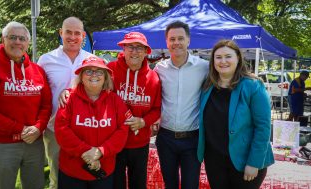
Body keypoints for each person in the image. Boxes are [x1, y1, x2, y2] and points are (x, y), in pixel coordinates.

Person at [0, 21, 52, 189]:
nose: (18, 42)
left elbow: (46, 105)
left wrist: (38, 127)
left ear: (28, 43)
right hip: (3, 144)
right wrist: (19, 129)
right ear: (3, 40)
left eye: (22, 38)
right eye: (13, 37)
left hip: (34, 143)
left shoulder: (37, 70)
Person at [197, 39, 275, 189]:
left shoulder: (253, 85)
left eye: (228, 56)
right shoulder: (207, 86)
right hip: (215, 161)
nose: (223, 61)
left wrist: (254, 162)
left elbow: (263, 128)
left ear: (238, 58)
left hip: (245, 161)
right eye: (218, 57)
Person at [54, 56, 129, 189]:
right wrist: (87, 152)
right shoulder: (68, 99)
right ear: (81, 76)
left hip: (103, 169)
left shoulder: (115, 100)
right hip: (72, 171)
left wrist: (100, 151)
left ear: (105, 77)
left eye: (99, 71)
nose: (94, 75)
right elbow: (61, 130)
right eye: (88, 71)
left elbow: (122, 130)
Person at [37, 16, 93, 189]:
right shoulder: (46, 60)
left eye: (77, 33)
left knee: (83, 175)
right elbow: (38, 96)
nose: (72, 37)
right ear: (61, 33)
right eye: (68, 32)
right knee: (56, 177)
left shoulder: (91, 60)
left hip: (85, 130)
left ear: (83, 36)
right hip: (55, 130)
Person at [153, 21, 209, 189]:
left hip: (192, 140)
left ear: (188, 41)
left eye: (180, 38)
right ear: (166, 42)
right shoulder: (159, 68)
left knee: (190, 185)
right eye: (172, 39)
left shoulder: (204, 67)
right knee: (169, 184)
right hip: (166, 138)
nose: (176, 42)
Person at [107, 32, 161, 189]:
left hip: (140, 143)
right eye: (130, 46)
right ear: (123, 49)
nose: (134, 51)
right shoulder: (110, 71)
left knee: (138, 184)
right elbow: (90, 86)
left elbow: (157, 109)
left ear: (146, 52)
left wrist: (143, 122)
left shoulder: (154, 78)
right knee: (116, 184)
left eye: (139, 47)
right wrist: (69, 90)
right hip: (114, 142)